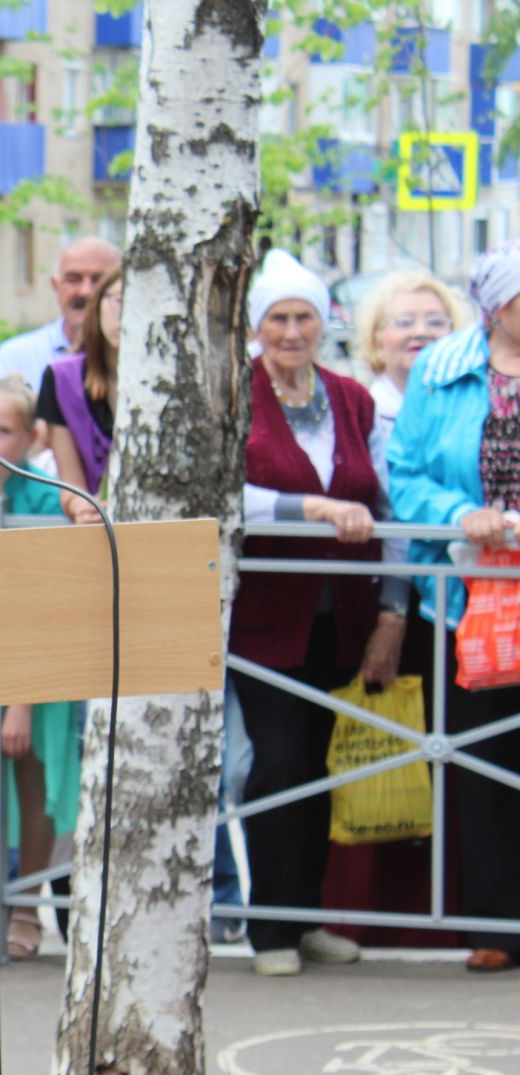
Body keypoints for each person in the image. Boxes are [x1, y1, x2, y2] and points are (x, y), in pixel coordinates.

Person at [232, 249, 404, 979]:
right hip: (267, 616)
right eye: (279, 317)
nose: (293, 331)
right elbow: (220, 493)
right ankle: (268, 928)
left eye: (304, 316)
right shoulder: (235, 392)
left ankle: (306, 919)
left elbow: (384, 502)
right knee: (279, 762)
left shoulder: (350, 397)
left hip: (345, 611)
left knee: (325, 763)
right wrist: (312, 507)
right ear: (257, 325)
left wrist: (392, 615)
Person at [387, 240, 520, 973]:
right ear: (499, 305)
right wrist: (456, 511)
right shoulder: (441, 372)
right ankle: (498, 924)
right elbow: (402, 475)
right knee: (482, 759)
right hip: (469, 600)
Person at [0, 377, 81, 957]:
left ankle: (27, 906)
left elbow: (53, 604)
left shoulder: (50, 498)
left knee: (32, 785)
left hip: (35, 671)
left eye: (2, 430)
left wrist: (22, 699)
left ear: (32, 437)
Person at [34, 266, 124, 525]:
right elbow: (71, 486)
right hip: (98, 533)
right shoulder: (61, 378)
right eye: (121, 301)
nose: (130, 315)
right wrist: (81, 506)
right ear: (98, 305)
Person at [0, 236, 122, 392]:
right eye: (73, 279)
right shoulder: (16, 358)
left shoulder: (137, 358)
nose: (86, 291)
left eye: (99, 279)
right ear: (55, 286)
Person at [353, 271, 471, 444]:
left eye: (436, 322)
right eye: (405, 322)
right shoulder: (360, 417)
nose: (421, 332)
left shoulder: (470, 411)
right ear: (377, 340)